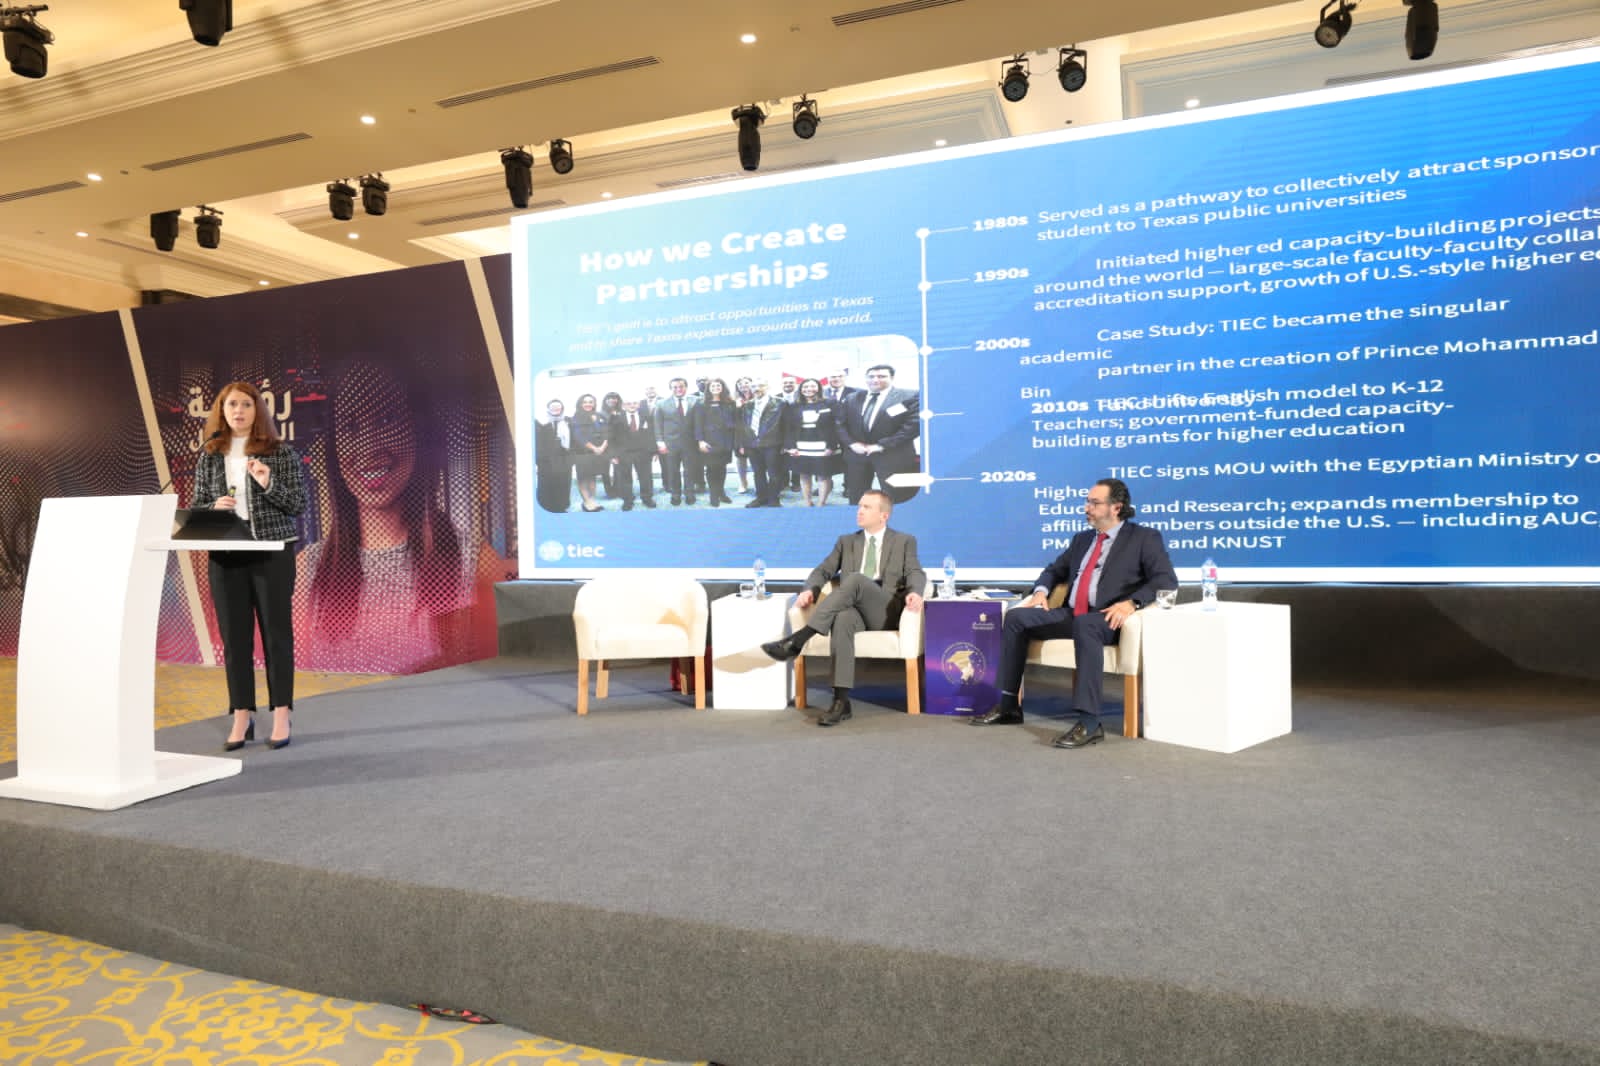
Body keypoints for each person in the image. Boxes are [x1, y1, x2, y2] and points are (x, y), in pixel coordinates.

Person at [297, 359, 511, 676]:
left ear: (418, 433)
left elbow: (496, 677)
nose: (369, 448)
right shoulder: (307, 570)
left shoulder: (474, 562)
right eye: (350, 427)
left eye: (386, 419)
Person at [972, 478, 1177, 748]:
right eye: (1087, 502)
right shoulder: (1082, 540)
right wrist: (1041, 592)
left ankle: (1090, 722)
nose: (1086, 508)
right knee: (1016, 618)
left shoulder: (1143, 538)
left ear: (1116, 507)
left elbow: (1165, 580)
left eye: (1094, 503)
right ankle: (1009, 705)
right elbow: (1053, 570)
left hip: (1107, 618)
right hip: (1073, 614)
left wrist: (1132, 603)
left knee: (1086, 625)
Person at [191, 380, 307, 751]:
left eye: (245, 404)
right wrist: (213, 507)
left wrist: (268, 482)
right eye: (231, 405)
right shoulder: (210, 454)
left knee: (276, 636)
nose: (238, 411)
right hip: (226, 555)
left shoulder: (280, 453)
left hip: (271, 553)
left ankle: (282, 713)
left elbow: (298, 504)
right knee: (234, 640)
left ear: (257, 409)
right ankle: (242, 713)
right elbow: (197, 505)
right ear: (221, 412)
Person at [761, 490, 926, 727]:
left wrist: (915, 592)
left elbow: (915, 571)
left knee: (856, 580)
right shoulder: (846, 542)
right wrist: (810, 590)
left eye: (867, 507)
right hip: (855, 610)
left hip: (884, 610)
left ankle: (799, 639)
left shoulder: (904, 541)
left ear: (884, 515)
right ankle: (841, 702)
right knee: (843, 618)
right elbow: (822, 571)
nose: (859, 511)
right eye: (859, 506)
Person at [837, 364, 921, 505]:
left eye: (881, 376)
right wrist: (852, 444)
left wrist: (881, 446)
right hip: (858, 456)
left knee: (898, 497)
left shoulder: (909, 396)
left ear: (892, 378)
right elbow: (840, 425)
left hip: (894, 455)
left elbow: (912, 427)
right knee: (857, 498)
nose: (875, 380)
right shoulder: (852, 397)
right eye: (871, 376)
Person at [783, 377, 841, 507]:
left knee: (823, 475)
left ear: (819, 388)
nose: (809, 389)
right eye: (805, 387)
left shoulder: (830, 403)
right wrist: (790, 447)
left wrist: (832, 446)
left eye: (812, 386)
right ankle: (808, 502)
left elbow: (836, 427)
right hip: (801, 446)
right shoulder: (794, 406)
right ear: (801, 389)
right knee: (804, 475)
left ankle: (821, 502)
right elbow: (789, 428)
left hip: (823, 446)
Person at [691, 377, 741, 506]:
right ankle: (713, 495)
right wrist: (700, 441)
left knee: (722, 468)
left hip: (726, 441)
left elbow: (736, 421)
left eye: (718, 386)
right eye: (713, 386)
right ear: (708, 389)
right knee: (712, 469)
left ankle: (721, 493)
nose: (716, 388)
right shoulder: (701, 403)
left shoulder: (730, 403)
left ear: (723, 388)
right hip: (709, 442)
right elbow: (697, 424)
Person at [740, 378, 785, 508]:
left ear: (768, 387)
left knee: (774, 473)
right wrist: (742, 443)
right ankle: (761, 498)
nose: (757, 389)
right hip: (752, 444)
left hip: (772, 443)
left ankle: (774, 499)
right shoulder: (747, 405)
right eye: (754, 386)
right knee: (758, 473)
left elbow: (786, 425)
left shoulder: (780, 403)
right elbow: (743, 425)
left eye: (761, 386)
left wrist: (787, 444)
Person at [654, 376, 699, 506]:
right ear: (670, 388)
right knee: (673, 471)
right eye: (675, 387)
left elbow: (699, 422)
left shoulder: (696, 401)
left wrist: (700, 440)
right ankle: (675, 494)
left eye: (681, 386)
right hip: (670, 444)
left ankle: (689, 493)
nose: (678, 389)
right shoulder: (661, 403)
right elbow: (657, 424)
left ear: (686, 387)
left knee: (690, 470)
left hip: (690, 443)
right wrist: (660, 442)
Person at [611, 397, 657, 511]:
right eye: (628, 403)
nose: (632, 405)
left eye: (635, 403)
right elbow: (612, 437)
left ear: (639, 404)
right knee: (625, 477)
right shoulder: (616, 419)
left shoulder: (646, 417)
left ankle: (647, 498)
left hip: (643, 452)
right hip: (624, 453)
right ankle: (628, 500)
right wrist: (613, 455)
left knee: (645, 476)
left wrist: (654, 451)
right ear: (623, 406)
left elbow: (651, 434)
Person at [568, 393, 610, 512]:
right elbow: (578, 436)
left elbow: (607, 432)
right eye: (585, 402)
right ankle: (587, 502)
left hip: (598, 452)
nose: (588, 404)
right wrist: (594, 448)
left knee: (592, 477)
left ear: (594, 403)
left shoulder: (599, 415)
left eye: (591, 402)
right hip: (583, 453)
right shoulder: (576, 417)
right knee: (583, 477)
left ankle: (592, 501)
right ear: (580, 404)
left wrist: (603, 446)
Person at [534, 398, 572, 513]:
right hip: (546, 459)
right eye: (553, 407)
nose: (556, 409)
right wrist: (538, 461)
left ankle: (561, 507)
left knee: (563, 482)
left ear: (562, 409)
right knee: (546, 483)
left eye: (558, 407)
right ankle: (547, 507)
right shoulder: (539, 422)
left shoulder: (568, 421)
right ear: (548, 408)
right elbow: (537, 442)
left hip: (563, 458)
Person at [598, 392, 626, 499]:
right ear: (605, 400)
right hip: (604, 445)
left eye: (615, 398)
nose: (612, 400)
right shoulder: (600, 414)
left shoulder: (622, 412)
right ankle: (609, 491)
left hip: (618, 445)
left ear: (618, 400)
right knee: (605, 470)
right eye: (609, 398)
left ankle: (617, 489)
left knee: (618, 468)